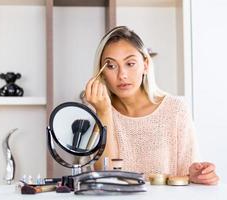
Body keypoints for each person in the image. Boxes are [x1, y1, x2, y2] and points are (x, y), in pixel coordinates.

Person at [84, 26, 219, 185]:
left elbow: (187, 174)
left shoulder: (176, 109)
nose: (122, 75)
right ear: (102, 73)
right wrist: (104, 113)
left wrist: (197, 176)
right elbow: (107, 178)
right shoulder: (100, 113)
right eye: (111, 66)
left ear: (145, 65)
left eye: (130, 63)